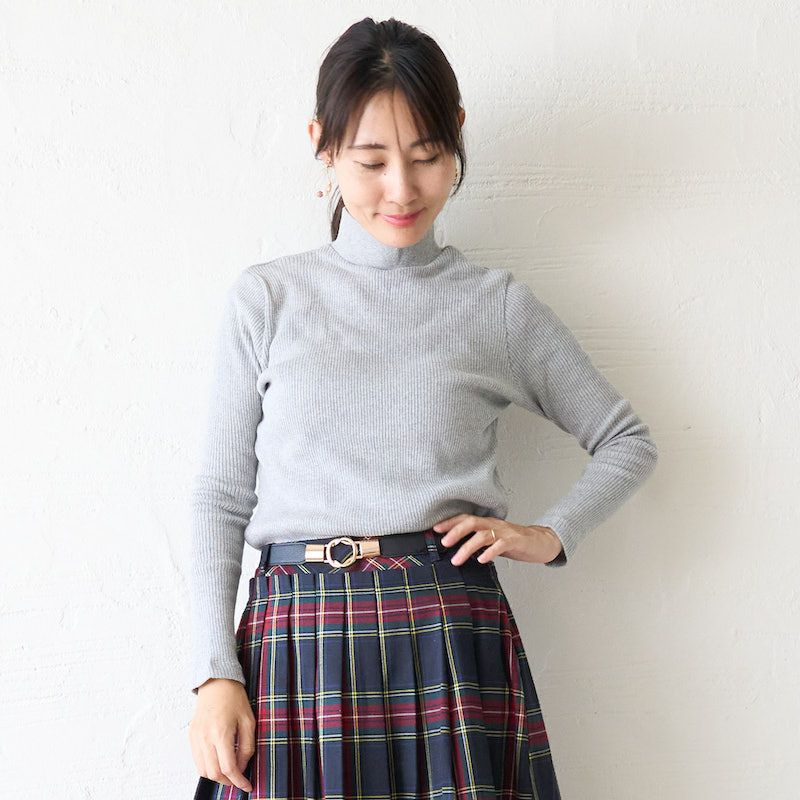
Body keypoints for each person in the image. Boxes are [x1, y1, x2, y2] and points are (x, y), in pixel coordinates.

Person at [187, 16, 658, 800]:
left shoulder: (495, 307)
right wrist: (214, 674)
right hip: (294, 642)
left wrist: (549, 535)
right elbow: (220, 495)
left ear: (456, 136)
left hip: (447, 636)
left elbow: (626, 441)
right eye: (372, 161)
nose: (402, 190)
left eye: (429, 156)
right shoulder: (267, 300)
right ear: (323, 145)